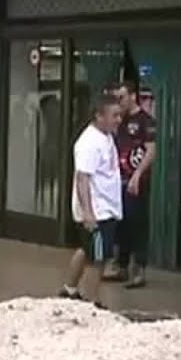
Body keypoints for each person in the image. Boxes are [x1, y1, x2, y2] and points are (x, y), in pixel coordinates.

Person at [58, 93, 124, 309]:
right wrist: (87, 211)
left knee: (87, 250)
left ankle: (69, 288)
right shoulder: (89, 142)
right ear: (99, 116)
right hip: (97, 209)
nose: (118, 120)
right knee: (98, 257)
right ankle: (92, 301)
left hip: (107, 206)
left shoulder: (106, 137)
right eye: (114, 115)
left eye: (119, 115)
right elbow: (82, 178)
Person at [108, 80, 158, 288]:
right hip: (117, 178)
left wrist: (138, 175)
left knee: (137, 222)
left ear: (132, 96)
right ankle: (121, 264)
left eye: (121, 97)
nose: (119, 102)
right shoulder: (118, 121)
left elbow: (151, 150)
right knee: (122, 222)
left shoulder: (145, 121)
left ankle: (139, 267)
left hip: (135, 179)